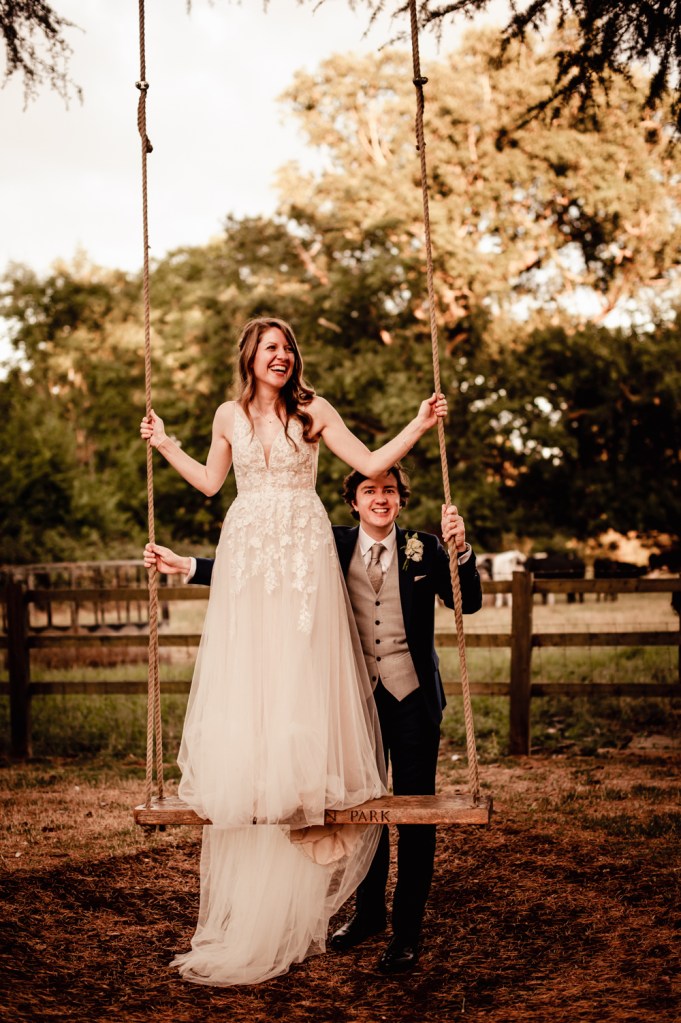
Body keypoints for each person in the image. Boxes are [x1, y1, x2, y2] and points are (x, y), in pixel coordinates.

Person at [139, 316, 447, 986]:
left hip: (303, 548)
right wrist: (165, 444)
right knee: (254, 669)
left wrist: (419, 424)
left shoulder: (313, 410)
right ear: (249, 356)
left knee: (302, 667)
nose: (281, 356)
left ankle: (305, 787)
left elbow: (368, 464)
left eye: (288, 348)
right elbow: (210, 484)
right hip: (249, 543)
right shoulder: (227, 414)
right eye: (270, 348)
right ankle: (260, 777)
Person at [145, 464, 482, 975]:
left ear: (401, 499)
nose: (380, 499)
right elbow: (260, 565)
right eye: (370, 490)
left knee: (414, 815)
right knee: (364, 809)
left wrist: (461, 551)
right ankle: (368, 915)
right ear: (354, 500)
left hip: (412, 699)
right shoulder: (330, 544)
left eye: (389, 491)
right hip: (353, 702)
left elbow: (470, 602)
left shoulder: (425, 548)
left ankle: (406, 931)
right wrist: (189, 565)